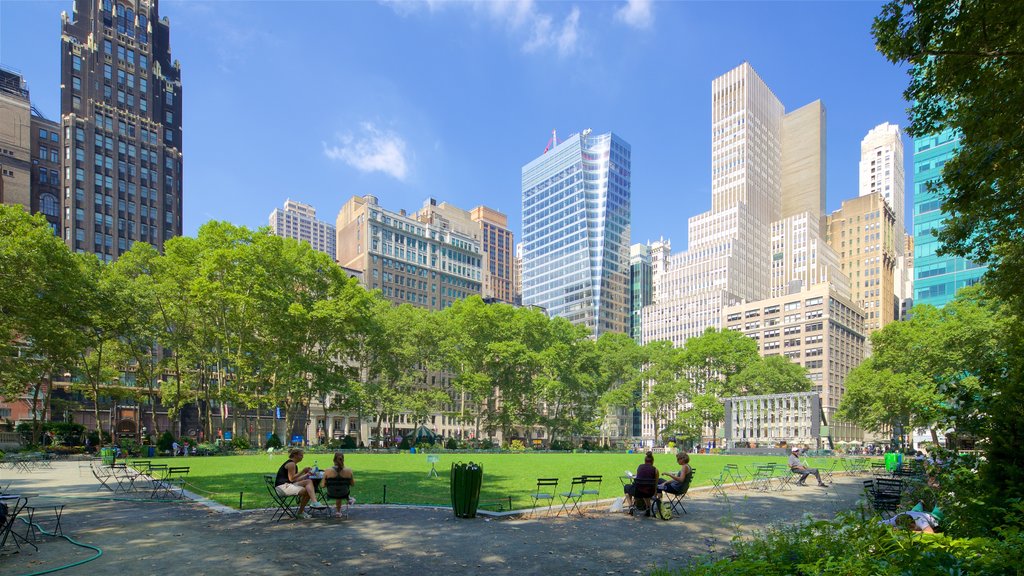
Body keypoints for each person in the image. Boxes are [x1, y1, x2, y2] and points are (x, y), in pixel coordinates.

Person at [275, 447, 326, 519]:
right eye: (301, 455)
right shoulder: (291, 464)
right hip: (282, 488)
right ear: (295, 455)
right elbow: (292, 479)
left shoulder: (293, 464)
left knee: (308, 483)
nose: (302, 457)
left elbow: (294, 480)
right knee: (308, 491)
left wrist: (306, 474)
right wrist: (302, 471)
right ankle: (302, 511)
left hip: (288, 485)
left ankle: (314, 503)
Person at [321, 452, 356, 517]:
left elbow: (322, 485)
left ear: (333, 460)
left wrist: (328, 484)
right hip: (344, 493)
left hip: (331, 493)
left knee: (337, 490)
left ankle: (338, 511)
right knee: (340, 490)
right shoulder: (349, 470)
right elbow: (353, 484)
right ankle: (348, 500)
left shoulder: (327, 470)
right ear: (343, 460)